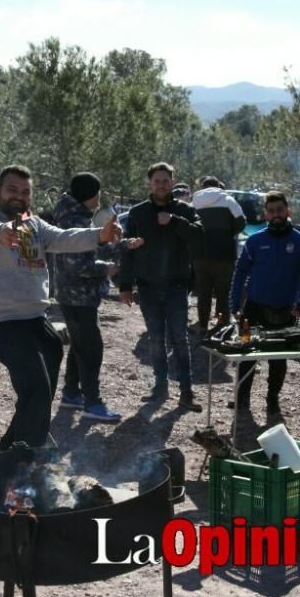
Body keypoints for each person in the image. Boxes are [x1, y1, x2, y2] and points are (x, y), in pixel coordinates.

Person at [0, 165, 123, 450]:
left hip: (34, 317)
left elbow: (62, 238)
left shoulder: (31, 224)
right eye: (12, 190)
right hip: (0, 320)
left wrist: (100, 235)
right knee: (35, 386)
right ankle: (26, 456)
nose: (19, 196)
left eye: (25, 192)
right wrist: (0, 233)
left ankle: (13, 445)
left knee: (48, 361)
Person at [52, 172, 144, 423]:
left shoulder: (76, 215)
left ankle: (72, 393)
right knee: (91, 349)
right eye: (98, 193)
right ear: (89, 195)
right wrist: (107, 269)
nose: (99, 198)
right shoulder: (74, 220)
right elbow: (76, 264)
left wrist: (123, 245)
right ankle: (92, 403)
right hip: (77, 295)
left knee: (80, 345)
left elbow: (91, 247)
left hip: (73, 294)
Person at [118, 162, 205, 412]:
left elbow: (199, 236)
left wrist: (174, 221)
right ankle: (160, 387)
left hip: (177, 285)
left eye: (165, 180)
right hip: (147, 287)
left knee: (179, 339)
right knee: (156, 340)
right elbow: (127, 249)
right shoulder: (137, 213)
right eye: (157, 180)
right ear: (150, 183)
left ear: (172, 182)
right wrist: (125, 285)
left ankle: (186, 392)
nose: (161, 185)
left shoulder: (185, 210)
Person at [229, 191, 300, 421]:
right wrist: (234, 304)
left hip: (284, 312)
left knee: (278, 359)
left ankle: (272, 400)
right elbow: (240, 274)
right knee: (246, 353)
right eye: (271, 211)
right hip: (251, 311)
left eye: (280, 210)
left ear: (288, 211)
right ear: (265, 214)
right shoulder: (255, 241)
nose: (276, 215)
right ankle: (242, 398)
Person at [191, 176, 246, 329]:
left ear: (203, 186)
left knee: (203, 293)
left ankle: (202, 327)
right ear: (219, 186)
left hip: (200, 255)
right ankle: (221, 327)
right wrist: (228, 234)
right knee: (223, 292)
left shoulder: (194, 201)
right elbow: (242, 222)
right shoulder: (228, 200)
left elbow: (188, 225)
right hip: (225, 255)